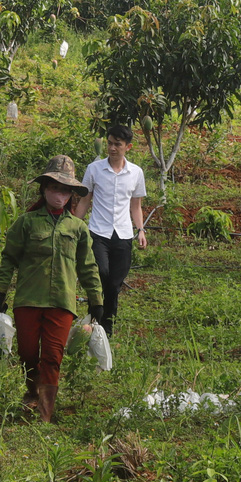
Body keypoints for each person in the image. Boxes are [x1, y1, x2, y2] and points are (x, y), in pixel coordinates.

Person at [0, 155, 102, 423]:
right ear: (44, 189)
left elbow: (87, 266)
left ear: (71, 195)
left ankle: (43, 414)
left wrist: (96, 299)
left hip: (61, 302)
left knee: (52, 357)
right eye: (55, 188)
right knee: (28, 352)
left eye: (65, 190)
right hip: (28, 299)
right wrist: (0, 293)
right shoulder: (27, 222)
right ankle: (31, 392)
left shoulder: (78, 228)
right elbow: (9, 258)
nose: (59, 195)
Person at [81, 123, 147, 332]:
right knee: (101, 273)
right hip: (98, 232)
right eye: (109, 143)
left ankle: (106, 328)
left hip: (124, 234)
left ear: (128, 146)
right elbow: (84, 201)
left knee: (114, 284)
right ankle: (95, 319)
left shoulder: (135, 173)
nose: (112, 148)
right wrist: (73, 227)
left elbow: (135, 205)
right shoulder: (94, 169)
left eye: (117, 144)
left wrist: (141, 230)